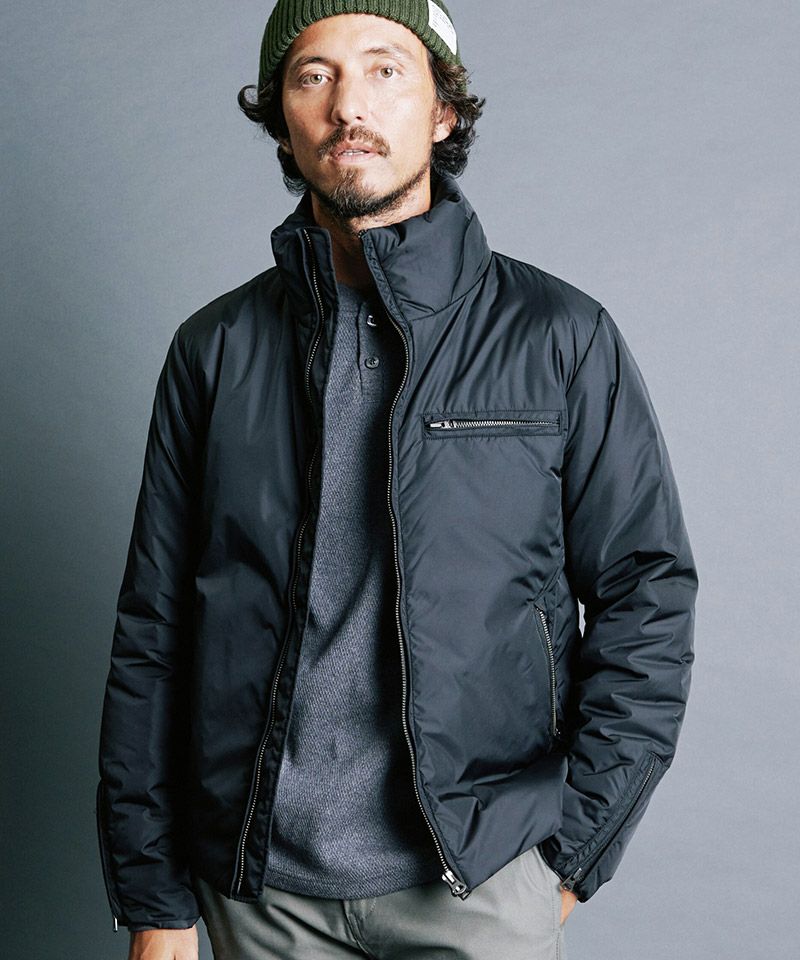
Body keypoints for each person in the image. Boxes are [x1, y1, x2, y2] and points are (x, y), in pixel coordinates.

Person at [95, 2, 698, 958]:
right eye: (313, 76)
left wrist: (567, 859)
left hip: (482, 878)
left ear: (443, 111)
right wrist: (153, 898)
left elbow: (646, 594)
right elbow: (154, 629)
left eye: (385, 70)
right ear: (283, 124)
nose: (349, 106)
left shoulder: (560, 335)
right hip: (262, 896)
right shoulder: (215, 349)